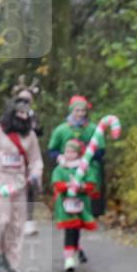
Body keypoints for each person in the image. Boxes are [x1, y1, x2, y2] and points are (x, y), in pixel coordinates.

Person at [0, 98, 44, 272]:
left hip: (20, 184)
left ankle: (10, 260)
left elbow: (36, 159)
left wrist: (35, 174)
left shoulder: (30, 135)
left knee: (16, 224)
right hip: (0, 182)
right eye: (19, 112)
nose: (22, 116)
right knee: (1, 220)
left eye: (25, 113)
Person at [48, 96, 102, 263]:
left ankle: (75, 247)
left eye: (83, 111)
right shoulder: (61, 130)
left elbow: (101, 151)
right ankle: (71, 252)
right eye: (77, 110)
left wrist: (86, 158)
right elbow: (52, 150)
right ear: (72, 111)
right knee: (70, 216)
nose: (80, 114)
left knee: (82, 215)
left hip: (87, 175)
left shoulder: (93, 129)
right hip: (66, 173)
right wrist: (61, 158)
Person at [50, 139, 99, 272]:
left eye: (72, 152)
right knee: (70, 229)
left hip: (80, 203)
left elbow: (91, 184)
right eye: (67, 152)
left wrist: (81, 186)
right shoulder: (60, 169)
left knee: (76, 229)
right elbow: (57, 184)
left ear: (78, 154)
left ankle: (76, 249)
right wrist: (67, 185)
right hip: (65, 204)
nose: (69, 155)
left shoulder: (84, 168)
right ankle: (69, 258)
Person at [11, 76, 44, 236]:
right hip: (13, 155)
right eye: (22, 99)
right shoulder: (11, 115)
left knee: (30, 185)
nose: (25, 102)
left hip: (29, 154)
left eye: (28, 99)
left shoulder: (33, 115)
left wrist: (37, 129)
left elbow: (39, 131)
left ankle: (29, 219)